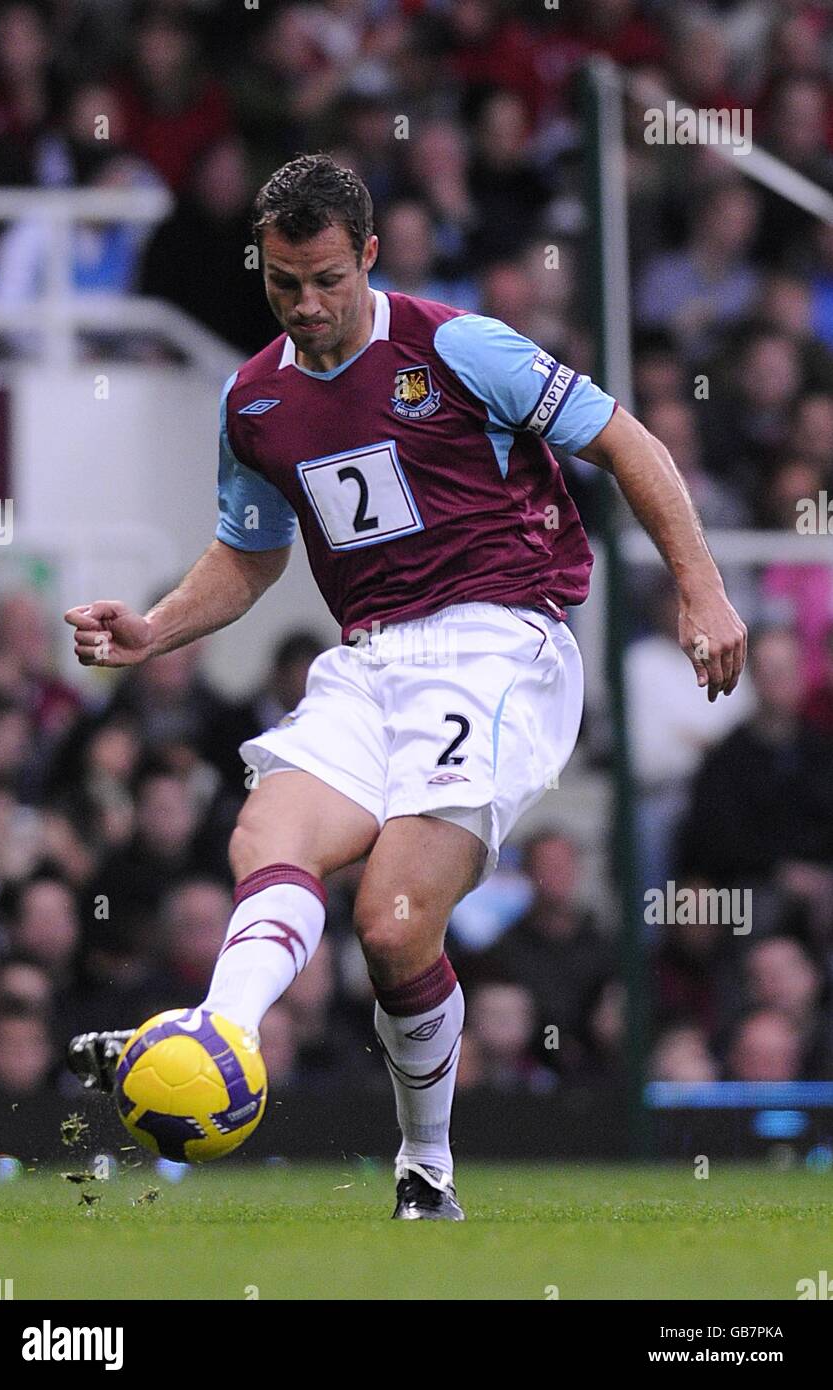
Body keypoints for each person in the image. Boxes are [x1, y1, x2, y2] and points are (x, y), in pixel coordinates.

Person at [64, 154, 746, 1221]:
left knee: (391, 924)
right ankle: (222, 1033)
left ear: (369, 255)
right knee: (265, 837)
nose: (308, 304)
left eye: (328, 278)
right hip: (368, 655)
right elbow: (248, 556)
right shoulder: (255, 400)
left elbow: (629, 441)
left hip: (500, 642)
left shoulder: (459, 346)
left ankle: (425, 1166)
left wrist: (700, 591)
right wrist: (153, 630)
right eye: (284, 282)